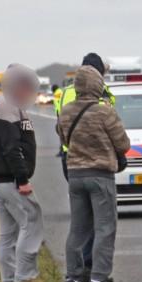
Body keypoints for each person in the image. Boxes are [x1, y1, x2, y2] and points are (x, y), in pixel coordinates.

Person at [57, 64, 130, 282]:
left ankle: (72, 278)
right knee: (104, 228)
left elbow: (62, 136)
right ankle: (98, 280)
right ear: (98, 85)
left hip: (75, 175)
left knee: (78, 229)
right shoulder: (104, 112)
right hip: (100, 175)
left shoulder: (66, 111)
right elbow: (123, 144)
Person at [55, 53, 116, 269]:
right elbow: (117, 137)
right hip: (97, 165)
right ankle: (95, 272)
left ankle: (74, 274)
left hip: (72, 163)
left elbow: (61, 129)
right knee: (103, 225)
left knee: (79, 226)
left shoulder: (65, 95)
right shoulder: (102, 98)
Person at [0, 63, 42, 282]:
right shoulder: (7, 105)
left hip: (0, 177)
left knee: (8, 231)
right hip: (9, 179)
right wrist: (23, 179)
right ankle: (26, 277)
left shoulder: (5, 103)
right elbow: (10, 147)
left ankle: (9, 279)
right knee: (32, 219)